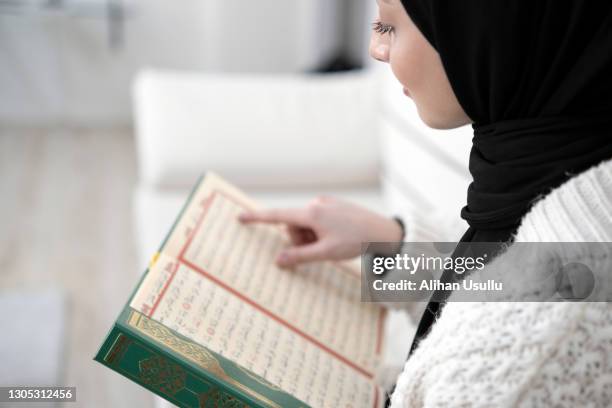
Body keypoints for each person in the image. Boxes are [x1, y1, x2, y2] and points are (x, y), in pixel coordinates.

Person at [240, 0, 612, 405]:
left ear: (485, 31)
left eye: (390, 26)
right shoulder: (567, 179)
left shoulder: (522, 363)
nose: (375, 49)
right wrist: (393, 246)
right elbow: (506, 271)